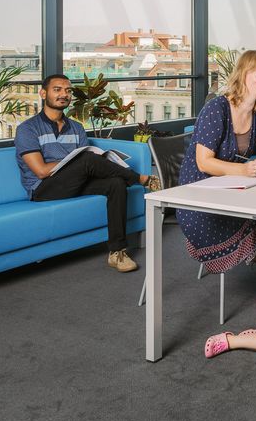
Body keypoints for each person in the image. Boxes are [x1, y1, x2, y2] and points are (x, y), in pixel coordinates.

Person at [15, 74, 161, 273]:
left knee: (116, 183)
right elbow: (40, 171)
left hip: (74, 183)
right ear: (43, 93)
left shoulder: (76, 128)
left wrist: (98, 163)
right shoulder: (28, 129)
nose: (63, 94)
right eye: (57, 89)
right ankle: (141, 179)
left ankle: (117, 252)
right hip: (43, 189)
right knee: (86, 160)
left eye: (67, 91)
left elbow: (86, 164)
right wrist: (77, 164)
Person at [176, 50, 256, 285]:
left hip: (236, 191)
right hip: (199, 201)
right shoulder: (216, 109)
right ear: (243, 73)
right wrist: (244, 170)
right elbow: (204, 162)